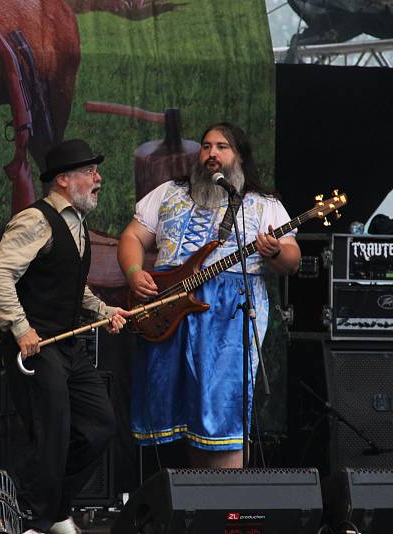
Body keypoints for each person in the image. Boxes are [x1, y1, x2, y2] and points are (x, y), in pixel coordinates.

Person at [118, 122, 301, 469]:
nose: (211, 153)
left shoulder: (264, 205)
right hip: (169, 305)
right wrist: (133, 272)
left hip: (229, 312)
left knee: (221, 405)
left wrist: (275, 251)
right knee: (177, 404)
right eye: (205, 146)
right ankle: (188, 503)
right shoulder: (169, 191)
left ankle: (227, 506)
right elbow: (132, 237)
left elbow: (292, 259)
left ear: (241, 157)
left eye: (222, 147)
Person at [0, 139, 130, 534]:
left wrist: (104, 311)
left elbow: (70, 285)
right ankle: (34, 518)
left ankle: (55, 508)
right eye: (90, 172)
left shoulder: (76, 223)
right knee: (52, 433)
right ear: (63, 180)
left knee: (100, 426)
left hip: (66, 345)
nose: (98, 179)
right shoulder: (35, 220)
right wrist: (21, 328)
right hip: (36, 347)